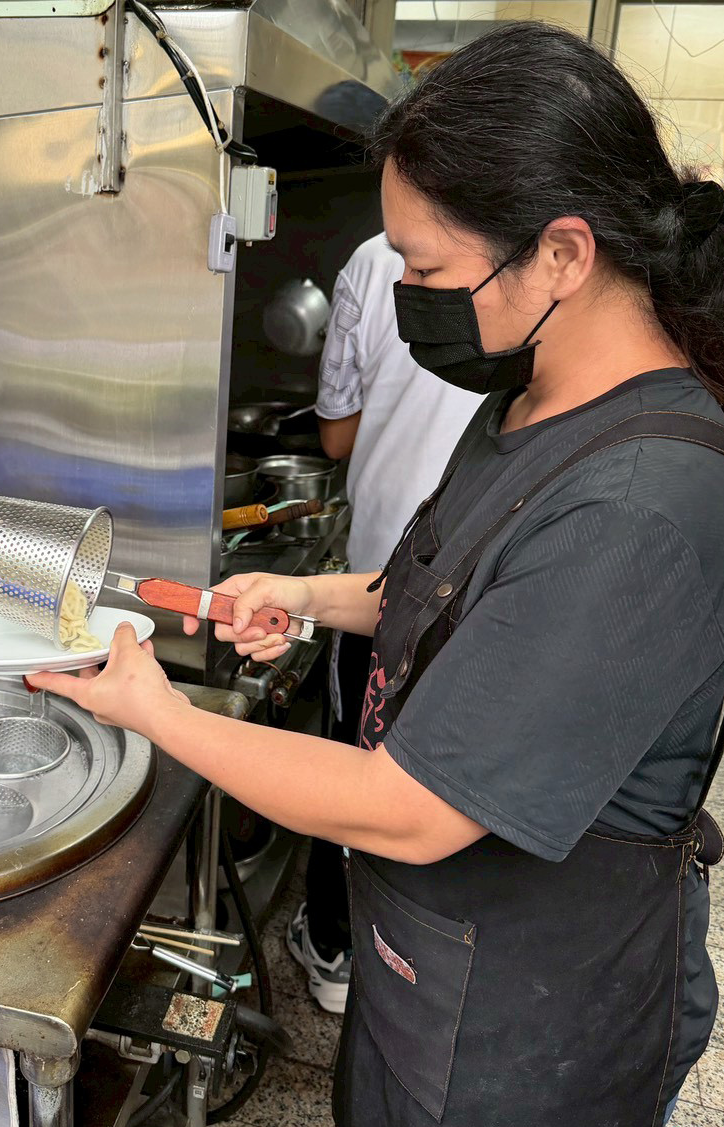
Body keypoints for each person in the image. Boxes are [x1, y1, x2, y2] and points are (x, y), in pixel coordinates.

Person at [32, 23, 724, 1127]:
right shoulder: (534, 401)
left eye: (427, 272)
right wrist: (312, 595)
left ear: (562, 255)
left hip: (539, 1025)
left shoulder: (645, 506)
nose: (412, 299)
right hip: (440, 966)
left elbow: (412, 804)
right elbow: (449, 579)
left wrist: (159, 711)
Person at [289, 233, 480, 1014]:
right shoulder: (529, 265)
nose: (412, 278)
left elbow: (335, 435)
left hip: (390, 565)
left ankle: (337, 946)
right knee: (440, 773)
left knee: (360, 763)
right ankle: (416, 958)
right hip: (453, 582)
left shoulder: (369, 261)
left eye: (424, 271)